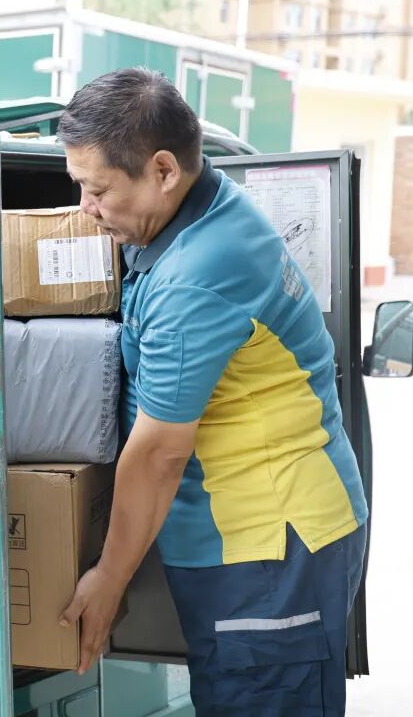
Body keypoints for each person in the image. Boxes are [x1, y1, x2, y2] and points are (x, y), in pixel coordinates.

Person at [56, 68, 368, 716]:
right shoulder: (205, 208)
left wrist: (108, 579)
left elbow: (159, 453)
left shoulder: (197, 275)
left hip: (269, 548)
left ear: (163, 170)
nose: (87, 207)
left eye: (98, 190)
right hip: (256, 540)